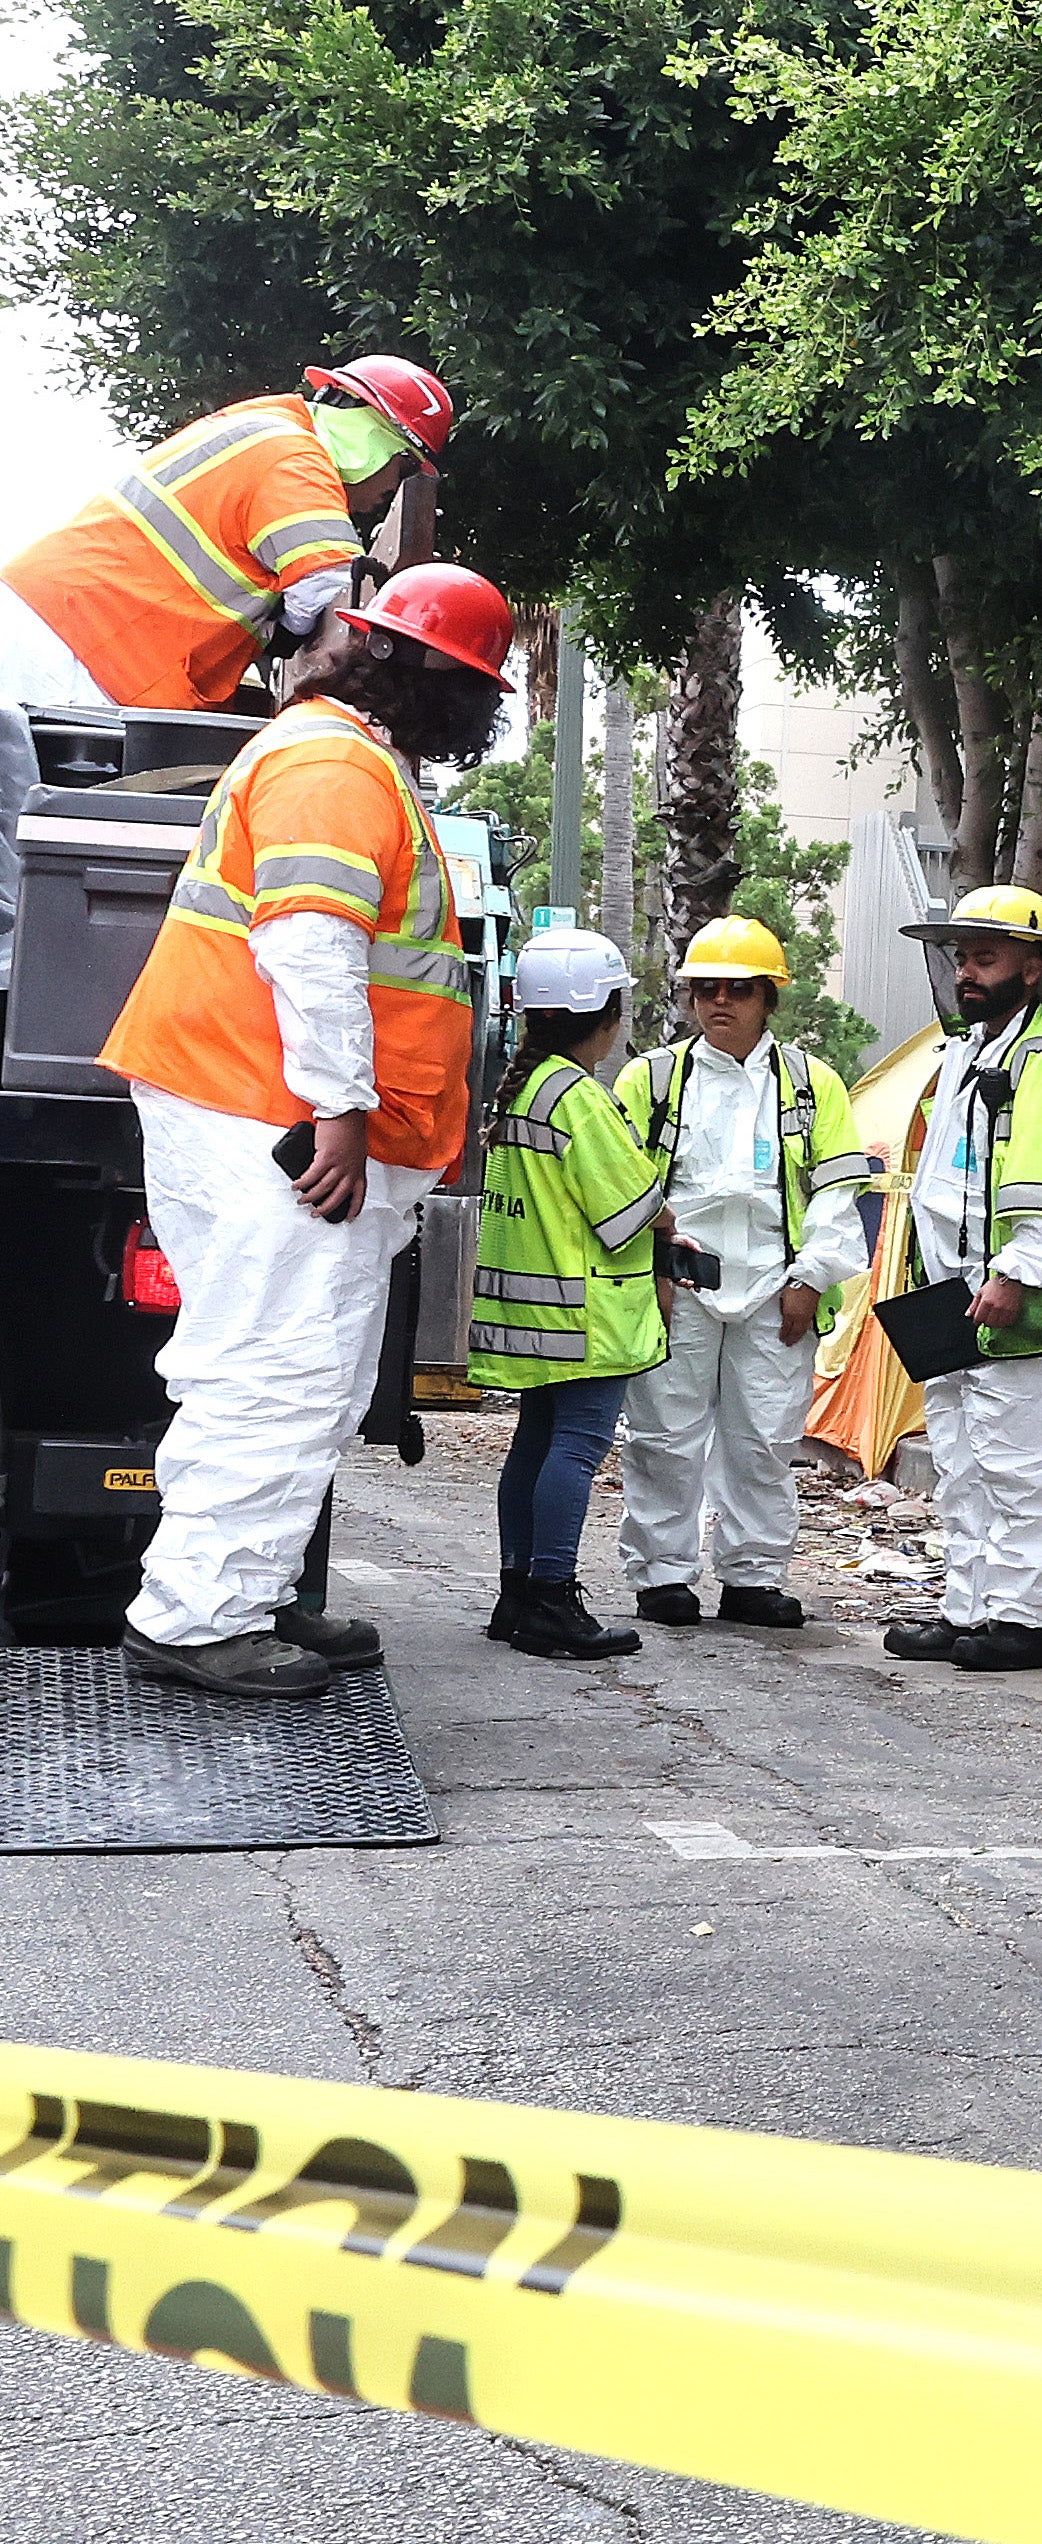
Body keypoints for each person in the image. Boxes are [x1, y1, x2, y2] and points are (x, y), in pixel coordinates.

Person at [94, 565, 512, 1699]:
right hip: (270, 1110)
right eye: (475, 684)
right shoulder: (333, 766)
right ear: (421, 669)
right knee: (281, 1367)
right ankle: (200, 1616)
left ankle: (246, 1590)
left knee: (293, 1366)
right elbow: (311, 945)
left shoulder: (346, 757)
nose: (482, 710)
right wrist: (337, 1110)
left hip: (258, 1104)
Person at [887, 883, 1042, 1674]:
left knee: (1021, 1469)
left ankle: (1026, 1622)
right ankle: (972, 1609)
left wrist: (1016, 1275)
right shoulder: (972, 1050)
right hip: (966, 1298)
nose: (966, 971)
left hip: (1031, 1305)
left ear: (1034, 967)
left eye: (984, 956)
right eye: (961, 956)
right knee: (964, 1462)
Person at [619, 915, 875, 1632]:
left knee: (763, 1437)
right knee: (663, 1435)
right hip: (680, 1282)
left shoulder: (811, 1083)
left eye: (737, 990)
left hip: (774, 1286)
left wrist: (811, 1278)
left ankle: (753, 1577)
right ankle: (663, 1575)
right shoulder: (653, 1079)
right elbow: (622, 1184)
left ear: (769, 999)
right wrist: (655, 1272)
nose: (718, 1003)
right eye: (705, 990)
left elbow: (835, 1191)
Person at [3, 357, 457, 719]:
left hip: (60, 628)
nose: (387, 490)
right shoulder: (295, 455)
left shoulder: (263, 428)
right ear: (377, 440)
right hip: (73, 646)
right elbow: (329, 583)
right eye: (402, 467)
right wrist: (291, 631)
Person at [466, 923, 665, 1659]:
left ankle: (517, 1595)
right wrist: (673, 1223)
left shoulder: (522, 1088)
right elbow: (627, 1209)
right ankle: (552, 1597)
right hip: (581, 1313)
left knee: (537, 1444)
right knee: (576, 1450)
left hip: (528, 1313)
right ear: (608, 1016)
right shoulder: (578, 1097)